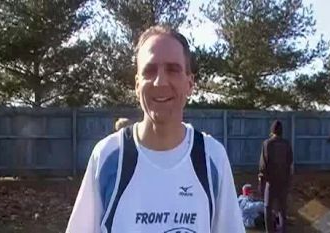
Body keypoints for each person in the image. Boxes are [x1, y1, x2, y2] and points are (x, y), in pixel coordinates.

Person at [66, 25, 245, 233]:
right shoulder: (108, 156)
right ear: (137, 85)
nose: (160, 81)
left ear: (190, 83)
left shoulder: (212, 157)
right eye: (150, 70)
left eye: (172, 69)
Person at [259, 120, 293, 233]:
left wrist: (261, 181)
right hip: (284, 181)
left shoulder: (267, 144)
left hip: (271, 181)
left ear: (272, 131)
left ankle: (270, 231)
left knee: (268, 208)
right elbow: (290, 162)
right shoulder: (287, 144)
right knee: (282, 210)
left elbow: (263, 166)